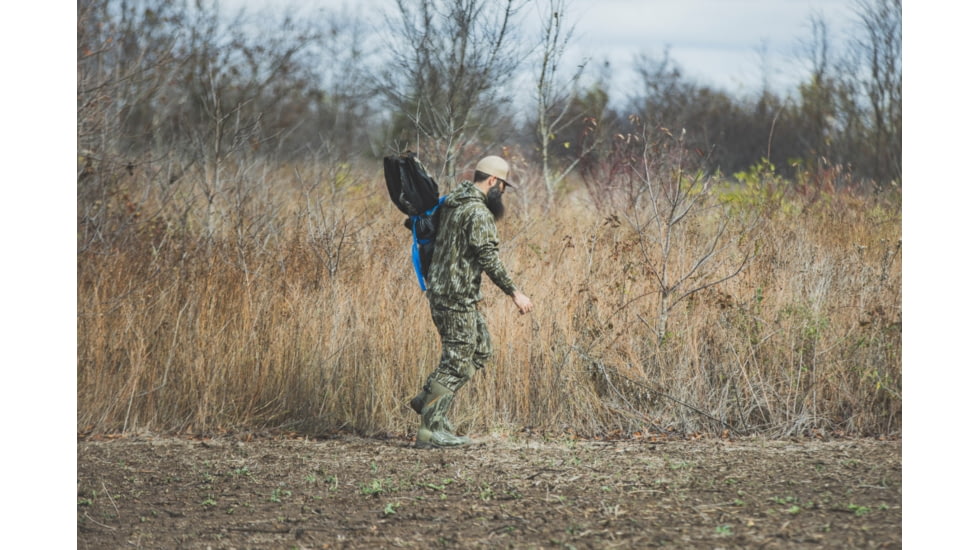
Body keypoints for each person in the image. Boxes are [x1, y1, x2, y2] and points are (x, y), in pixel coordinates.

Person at [409, 155, 533, 449]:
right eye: (502, 186)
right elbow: (487, 257)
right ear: (493, 181)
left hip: (447, 293)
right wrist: (515, 292)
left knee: (481, 349)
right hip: (455, 297)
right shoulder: (477, 213)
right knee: (455, 362)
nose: (501, 193)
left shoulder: (451, 202)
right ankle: (430, 430)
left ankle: (428, 399)